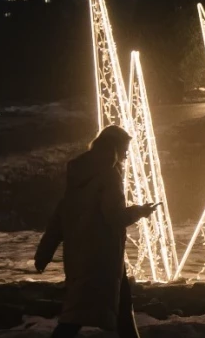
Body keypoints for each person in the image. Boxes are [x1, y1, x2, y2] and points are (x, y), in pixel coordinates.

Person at [34, 125, 159, 338]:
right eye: (125, 150)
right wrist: (141, 211)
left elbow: (60, 217)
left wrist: (44, 252)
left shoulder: (79, 176)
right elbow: (115, 217)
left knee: (117, 310)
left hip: (81, 257)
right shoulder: (109, 176)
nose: (127, 156)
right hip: (103, 258)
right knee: (74, 319)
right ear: (115, 148)